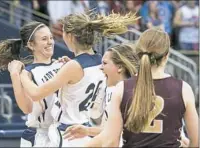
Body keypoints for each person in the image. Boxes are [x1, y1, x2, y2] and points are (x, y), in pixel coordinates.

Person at [18, 12, 140, 146]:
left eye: (63, 32)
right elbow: (83, 81)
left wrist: (22, 75)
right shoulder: (99, 61)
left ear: (70, 36)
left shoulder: (73, 67)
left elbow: (36, 94)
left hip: (66, 133)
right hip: (84, 129)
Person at [84, 28, 199, 147]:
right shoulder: (183, 89)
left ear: (138, 54)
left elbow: (111, 141)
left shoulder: (122, 88)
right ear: (166, 55)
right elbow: (196, 142)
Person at [0, 21, 63, 147]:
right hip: (41, 135)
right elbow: (27, 108)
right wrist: (15, 76)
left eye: (51, 38)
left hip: (63, 130)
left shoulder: (62, 65)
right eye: (44, 39)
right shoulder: (28, 73)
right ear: (31, 45)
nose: (50, 42)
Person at [63, 44, 139, 140]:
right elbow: (110, 130)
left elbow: (118, 133)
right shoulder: (112, 87)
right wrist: (71, 67)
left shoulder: (128, 95)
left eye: (105, 63)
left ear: (119, 67)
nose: (101, 67)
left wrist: (88, 131)